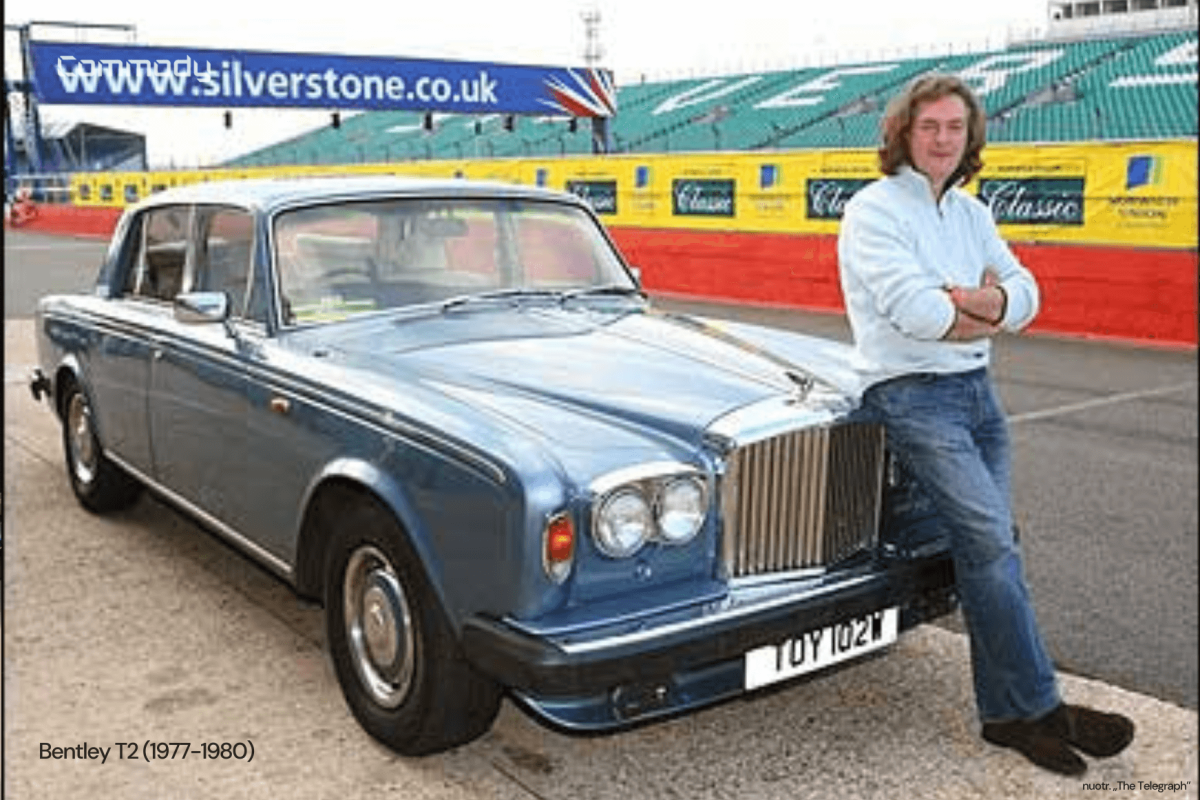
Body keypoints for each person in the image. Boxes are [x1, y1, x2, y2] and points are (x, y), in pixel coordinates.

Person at [837, 73, 1135, 777]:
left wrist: (972, 303)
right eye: (929, 126)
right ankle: (1043, 705)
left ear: (971, 136)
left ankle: (1005, 717)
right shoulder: (874, 209)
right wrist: (982, 311)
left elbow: (1027, 295)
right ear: (903, 134)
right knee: (993, 546)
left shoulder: (971, 214)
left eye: (955, 127)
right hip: (911, 395)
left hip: (977, 394)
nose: (943, 138)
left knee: (989, 554)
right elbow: (917, 315)